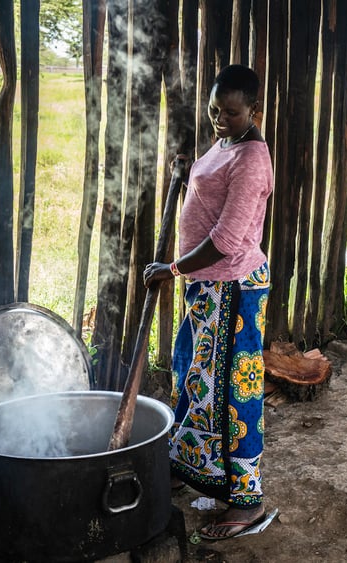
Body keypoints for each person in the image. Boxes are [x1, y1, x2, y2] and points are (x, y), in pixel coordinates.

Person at [143, 64, 272, 541]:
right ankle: (192, 467)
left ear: (255, 111)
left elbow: (226, 237)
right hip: (208, 288)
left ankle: (246, 502)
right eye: (214, 110)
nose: (220, 120)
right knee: (196, 380)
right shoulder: (226, 143)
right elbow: (209, 188)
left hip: (233, 289)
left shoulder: (253, 158)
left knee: (234, 397)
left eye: (231, 113)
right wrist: (187, 171)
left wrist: (172, 269)